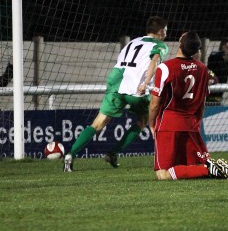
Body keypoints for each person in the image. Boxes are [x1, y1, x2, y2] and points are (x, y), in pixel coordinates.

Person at [63, 16, 169, 172]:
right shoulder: (160, 45)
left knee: (98, 123)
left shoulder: (133, 42)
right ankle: (113, 153)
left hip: (116, 80)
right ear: (160, 31)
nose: (167, 33)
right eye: (166, 30)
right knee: (143, 120)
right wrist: (146, 83)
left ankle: (70, 155)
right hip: (135, 86)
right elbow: (155, 60)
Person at [148, 31, 228, 180]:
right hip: (191, 124)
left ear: (180, 44)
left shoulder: (165, 68)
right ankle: (210, 168)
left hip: (169, 125)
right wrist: (197, 122)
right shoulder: (203, 69)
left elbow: (154, 104)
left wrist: (152, 123)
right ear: (196, 50)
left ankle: (209, 170)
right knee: (191, 165)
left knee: (163, 174)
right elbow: (202, 103)